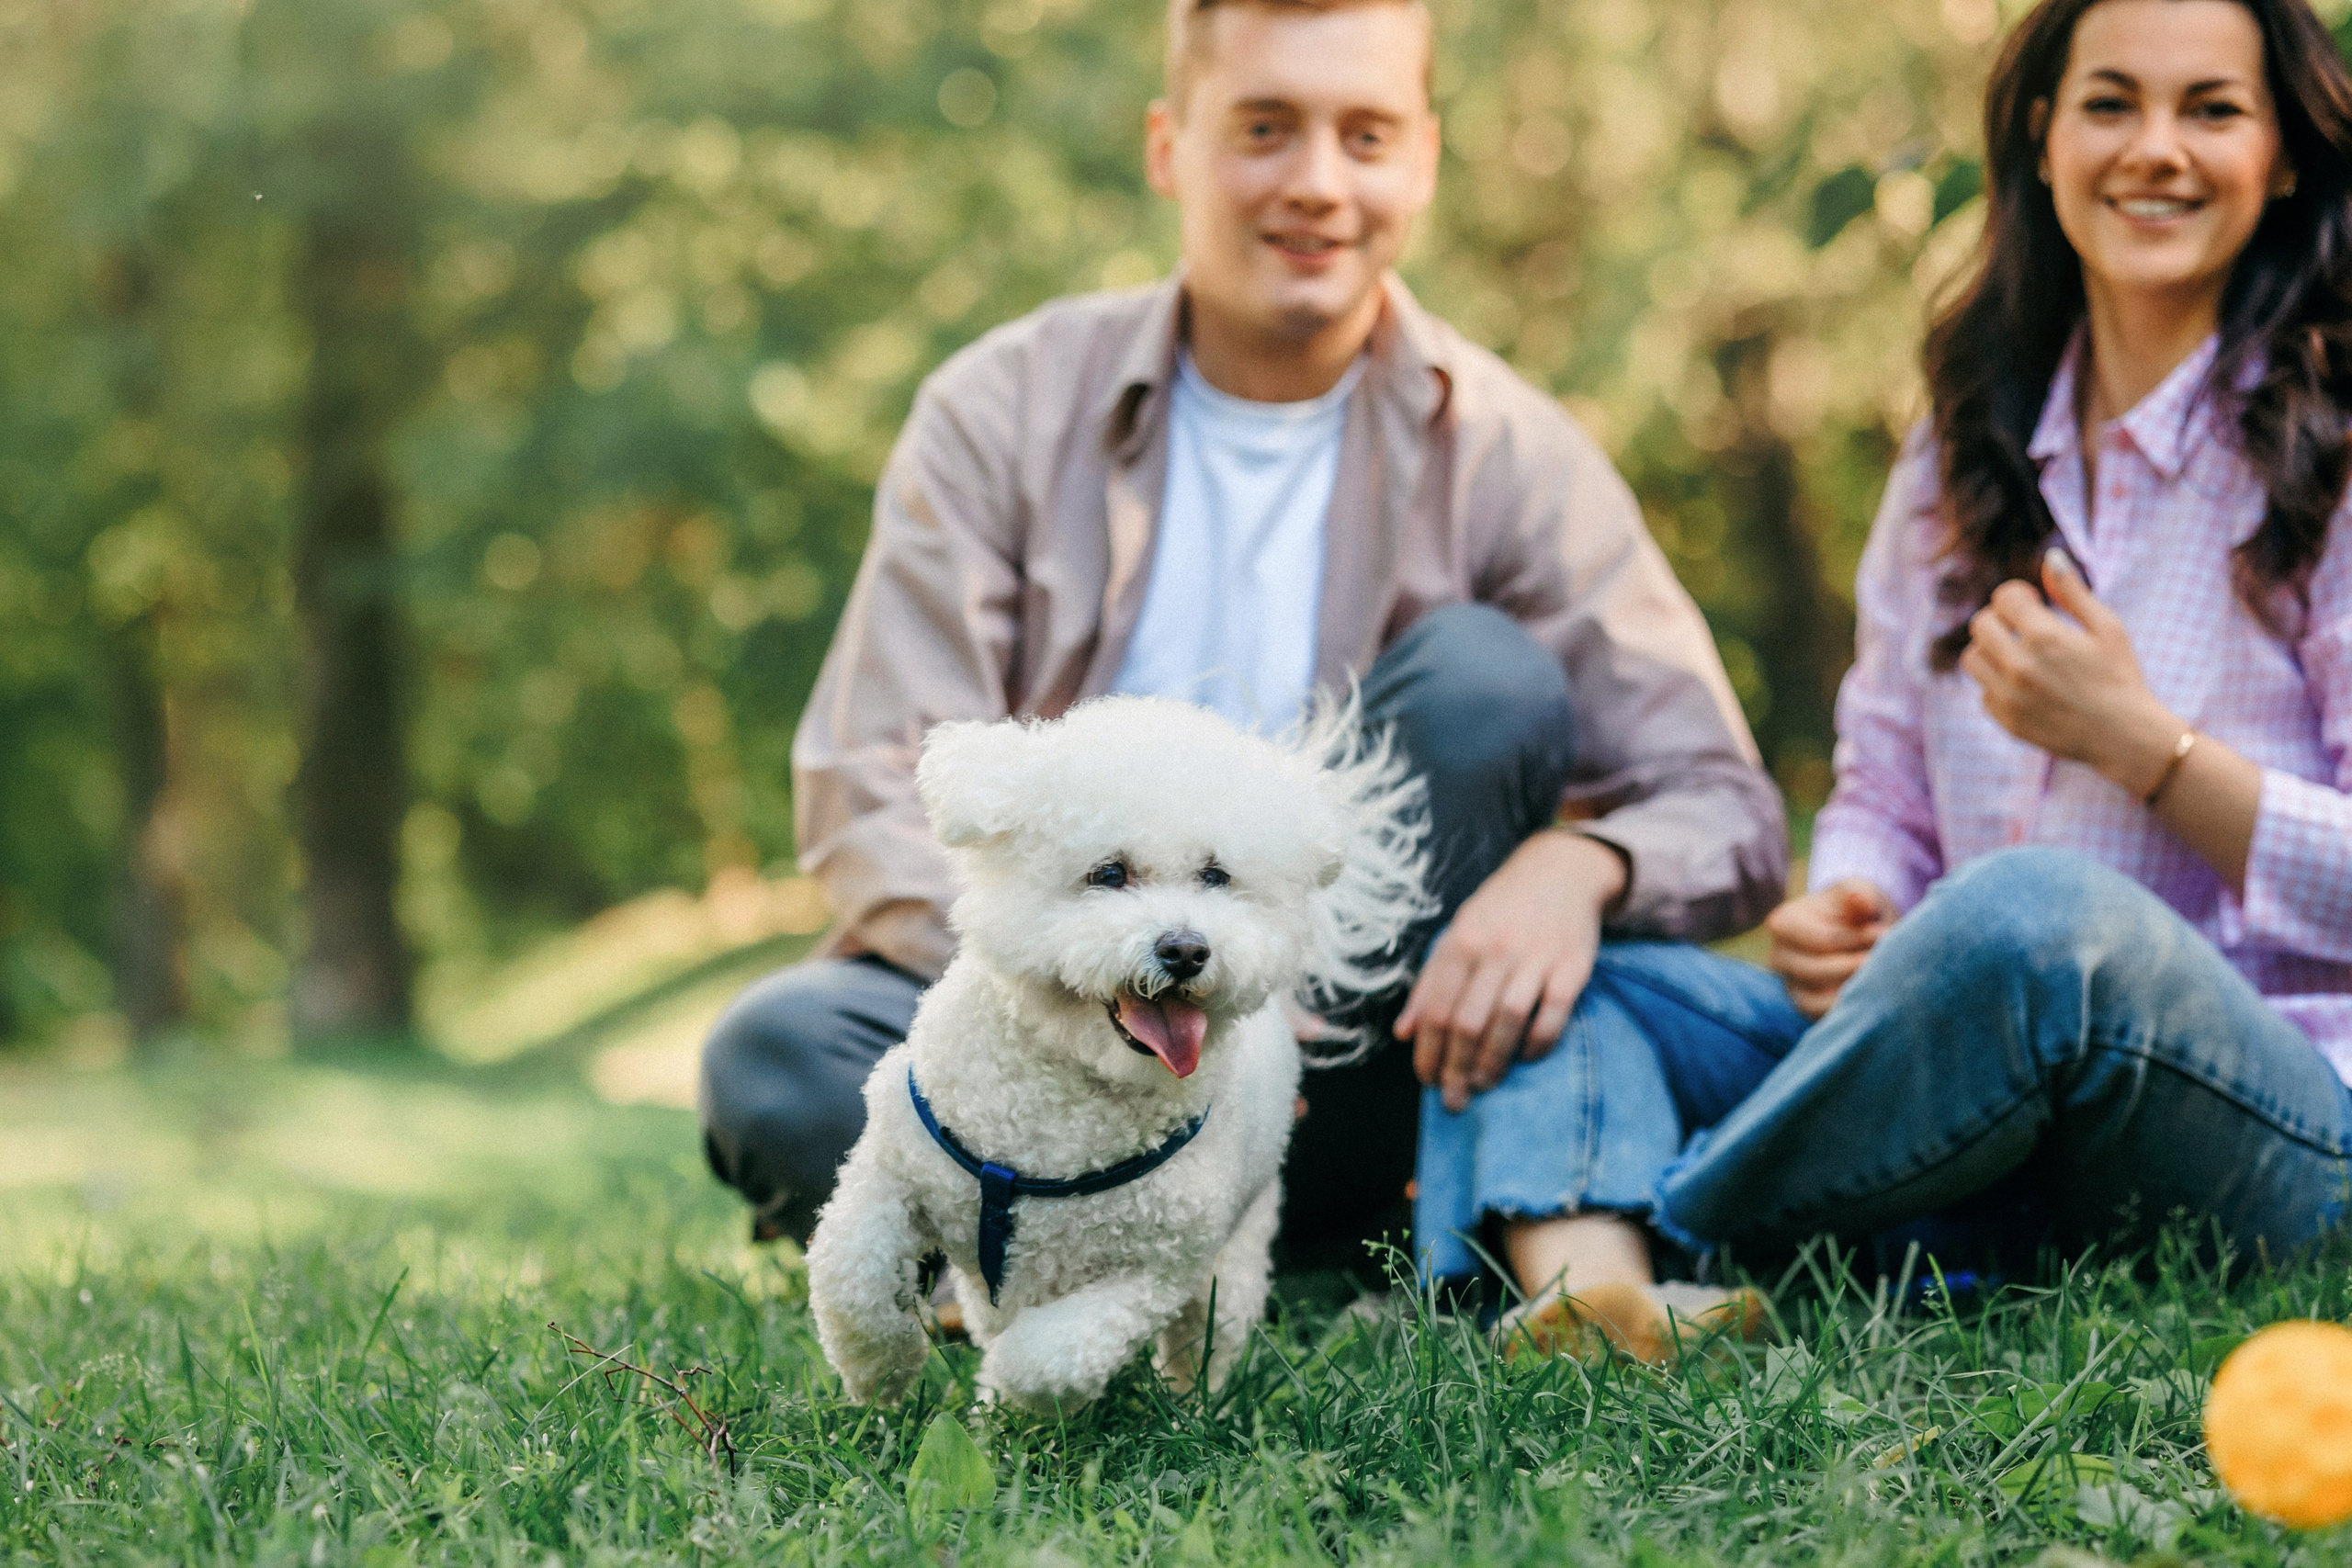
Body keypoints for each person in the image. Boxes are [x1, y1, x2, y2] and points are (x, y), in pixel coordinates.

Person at [698, 0, 1788, 1326]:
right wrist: (1060, 982)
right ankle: (1066, 1238)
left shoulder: (1511, 451)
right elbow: (871, 773)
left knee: (1484, 680)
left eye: (1365, 136)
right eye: (1266, 129)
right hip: (1043, 1047)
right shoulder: (999, 409)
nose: (1317, 182)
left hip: (1351, 1072)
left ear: (1423, 159)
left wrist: (1584, 863)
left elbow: (1721, 804)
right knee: (777, 1054)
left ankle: (1150, 1243)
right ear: (1171, 146)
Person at [1482, 0, 2352, 1360]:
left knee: (2042, 917)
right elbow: (1882, 778)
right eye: (2111, 103)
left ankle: (1682, 1221)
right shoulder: (1963, 445)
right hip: (1956, 1073)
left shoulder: (2332, 446)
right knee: (1569, 975)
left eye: (2213, 109)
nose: (2156, 149)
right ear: (2044, 138)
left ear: (2286, 153)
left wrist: (2147, 750)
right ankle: (1607, 1300)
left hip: (2275, 1111)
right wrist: (1854, 897)